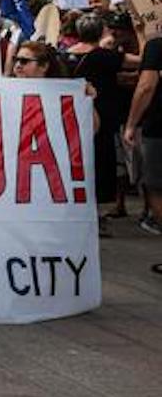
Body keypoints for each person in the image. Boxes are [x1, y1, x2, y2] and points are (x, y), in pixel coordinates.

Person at [60, 14, 137, 236]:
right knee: (99, 167)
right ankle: (93, 217)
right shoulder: (103, 56)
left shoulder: (66, 54)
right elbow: (142, 61)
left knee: (77, 167)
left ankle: (76, 215)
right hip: (99, 121)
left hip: (71, 121)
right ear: (101, 32)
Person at [122, 31, 162, 237]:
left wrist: (131, 124)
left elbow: (146, 86)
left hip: (158, 127)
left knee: (155, 184)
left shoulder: (157, 46)